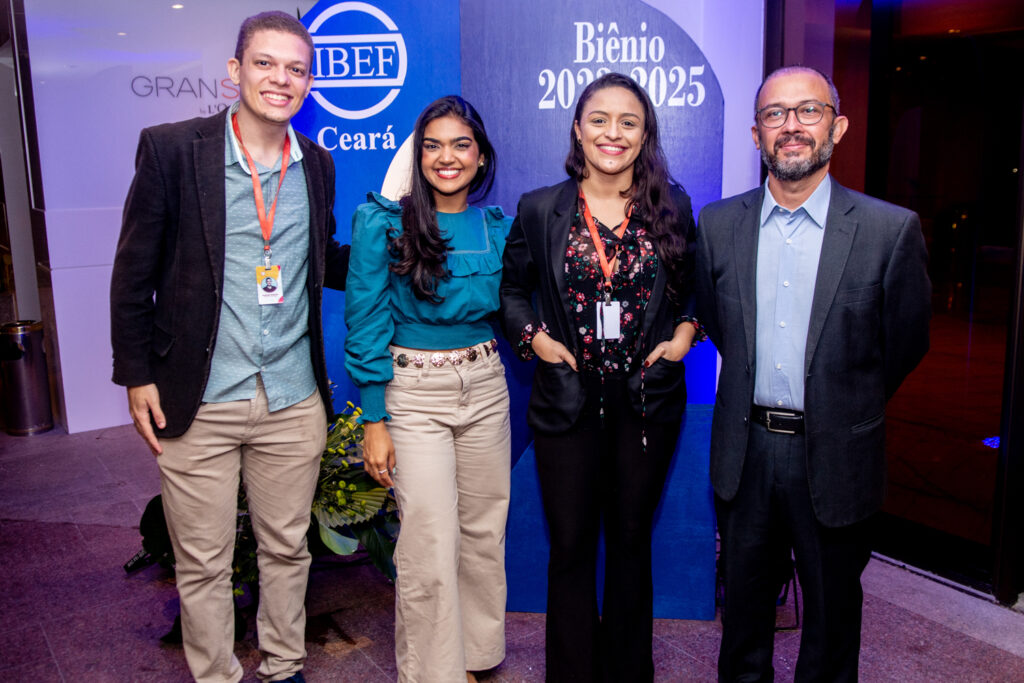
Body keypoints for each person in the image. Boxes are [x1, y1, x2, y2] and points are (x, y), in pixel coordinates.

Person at [109, 11, 349, 683]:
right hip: (198, 394)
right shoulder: (172, 149)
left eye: (296, 69)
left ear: (310, 83)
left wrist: (403, 257)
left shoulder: (318, 165)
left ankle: (284, 666)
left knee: (288, 549)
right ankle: (215, 674)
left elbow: (317, 258)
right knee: (204, 559)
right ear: (235, 71)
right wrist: (136, 374)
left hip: (292, 396)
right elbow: (133, 272)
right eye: (266, 63)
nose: (281, 79)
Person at [696, 66, 931, 681]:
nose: (791, 127)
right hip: (745, 455)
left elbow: (904, 342)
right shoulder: (718, 226)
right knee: (743, 619)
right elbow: (719, 323)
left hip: (837, 455)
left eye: (809, 111)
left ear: (838, 126)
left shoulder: (888, 230)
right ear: (756, 134)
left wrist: (844, 400)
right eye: (775, 114)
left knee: (830, 624)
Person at [500, 72, 701, 681]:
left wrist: (685, 334)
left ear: (645, 135)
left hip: (648, 401)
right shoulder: (541, 208)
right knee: (570, 550)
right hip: (568, 400)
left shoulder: (674, 204)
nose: (612, 133)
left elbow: (694, 289)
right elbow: (510, 290)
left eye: (628, 122)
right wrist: (535, 339)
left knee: (632, 544)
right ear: (578, 129)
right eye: (599, 119)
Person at [344, 95, 512, 683]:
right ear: (418, 156)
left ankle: (476, 656)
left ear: (482, 155)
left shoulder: (501, 228)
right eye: (432, 145)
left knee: (484, 531)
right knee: (429, 540)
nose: (447, 157)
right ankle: (434, 673)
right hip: (412, 392)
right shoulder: (383, 223)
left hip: (486, 384)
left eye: (461, 145)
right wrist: (374, 418)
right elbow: (365, 321)